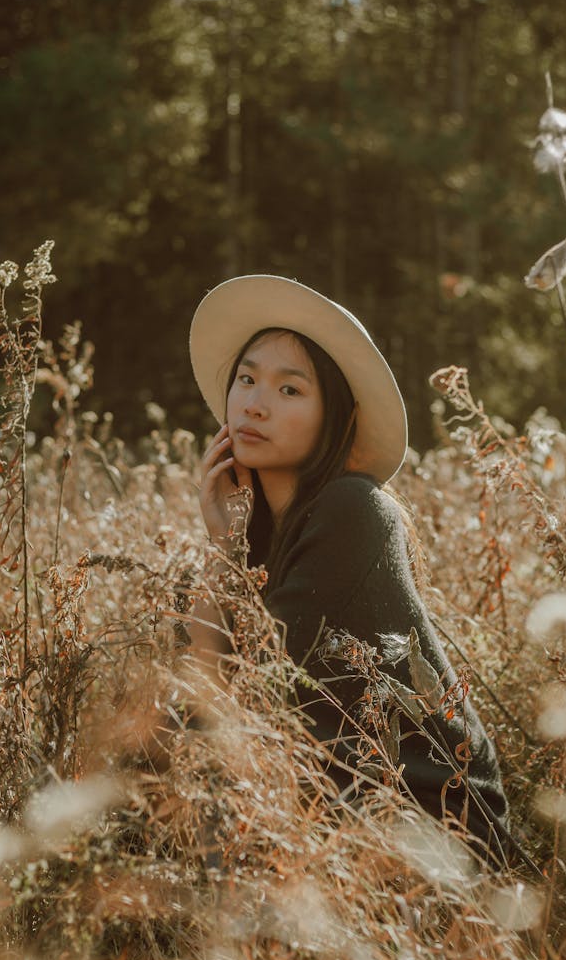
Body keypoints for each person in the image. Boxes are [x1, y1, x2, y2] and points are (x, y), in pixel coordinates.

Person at [188, 274, 510, 866]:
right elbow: (197, 695)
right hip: (327, 804)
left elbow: (258, 692)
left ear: (333, 415)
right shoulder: (253, 531)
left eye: (290, 391)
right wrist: (222, 547)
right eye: (247, 378)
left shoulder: (353, 511)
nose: (254, 403)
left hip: (430, 831)